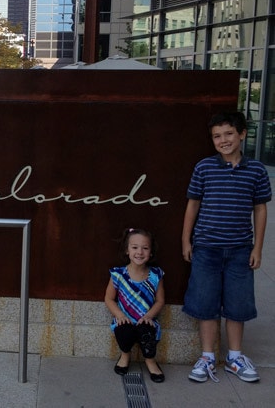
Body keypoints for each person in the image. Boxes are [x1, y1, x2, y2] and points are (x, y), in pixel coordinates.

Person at [182, 111, 271, 383]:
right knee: (205, 303)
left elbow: (260, 209)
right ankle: (207, 356)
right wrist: (186, 240)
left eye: (229, 133)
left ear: (242, 134)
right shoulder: (204, 168)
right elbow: (193, 204)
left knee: (237, 305)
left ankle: (234, 357)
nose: (223, 140)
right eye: (217, 136)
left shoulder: (256, 170)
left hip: (240, 250)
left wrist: (257, 247)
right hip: (206, 248)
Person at [105, 228, 165, 383]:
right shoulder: (118, 274)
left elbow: (160, 301)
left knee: (147, 334)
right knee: (123, 331)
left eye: (145, 248)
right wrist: (119, 315)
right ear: (127, 250)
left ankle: (150, 361)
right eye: (135, 247)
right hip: (125, 319)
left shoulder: (156, 275)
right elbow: (109, 299)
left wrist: (149, 316)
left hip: (146, 319)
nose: (140, 252)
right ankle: (125, 355)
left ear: (151, 252)